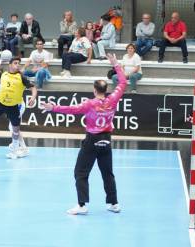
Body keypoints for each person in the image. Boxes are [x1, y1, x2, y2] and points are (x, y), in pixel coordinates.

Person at [42, 53, 124, 215]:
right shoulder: (113, 99)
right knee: (107, 173)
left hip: (92, 141)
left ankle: (82, 205)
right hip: (106, 140)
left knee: (80, 172)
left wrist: (54, 108)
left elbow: (71, 109)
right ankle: (114, 203)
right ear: (105, 89)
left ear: (94, 90)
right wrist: (116, 64)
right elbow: (123, 82)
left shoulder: (89, 104)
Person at [0, 57, 38, 159]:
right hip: (3, 103)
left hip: (18, 105)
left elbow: (33, 87)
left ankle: (20, 148)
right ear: (9, 65)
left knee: (13, 128)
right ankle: (18, 147)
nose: (17, 65)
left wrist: (33, 97)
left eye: (18, 63)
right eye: (15, 63)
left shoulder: (20, 77)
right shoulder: (3, 76)